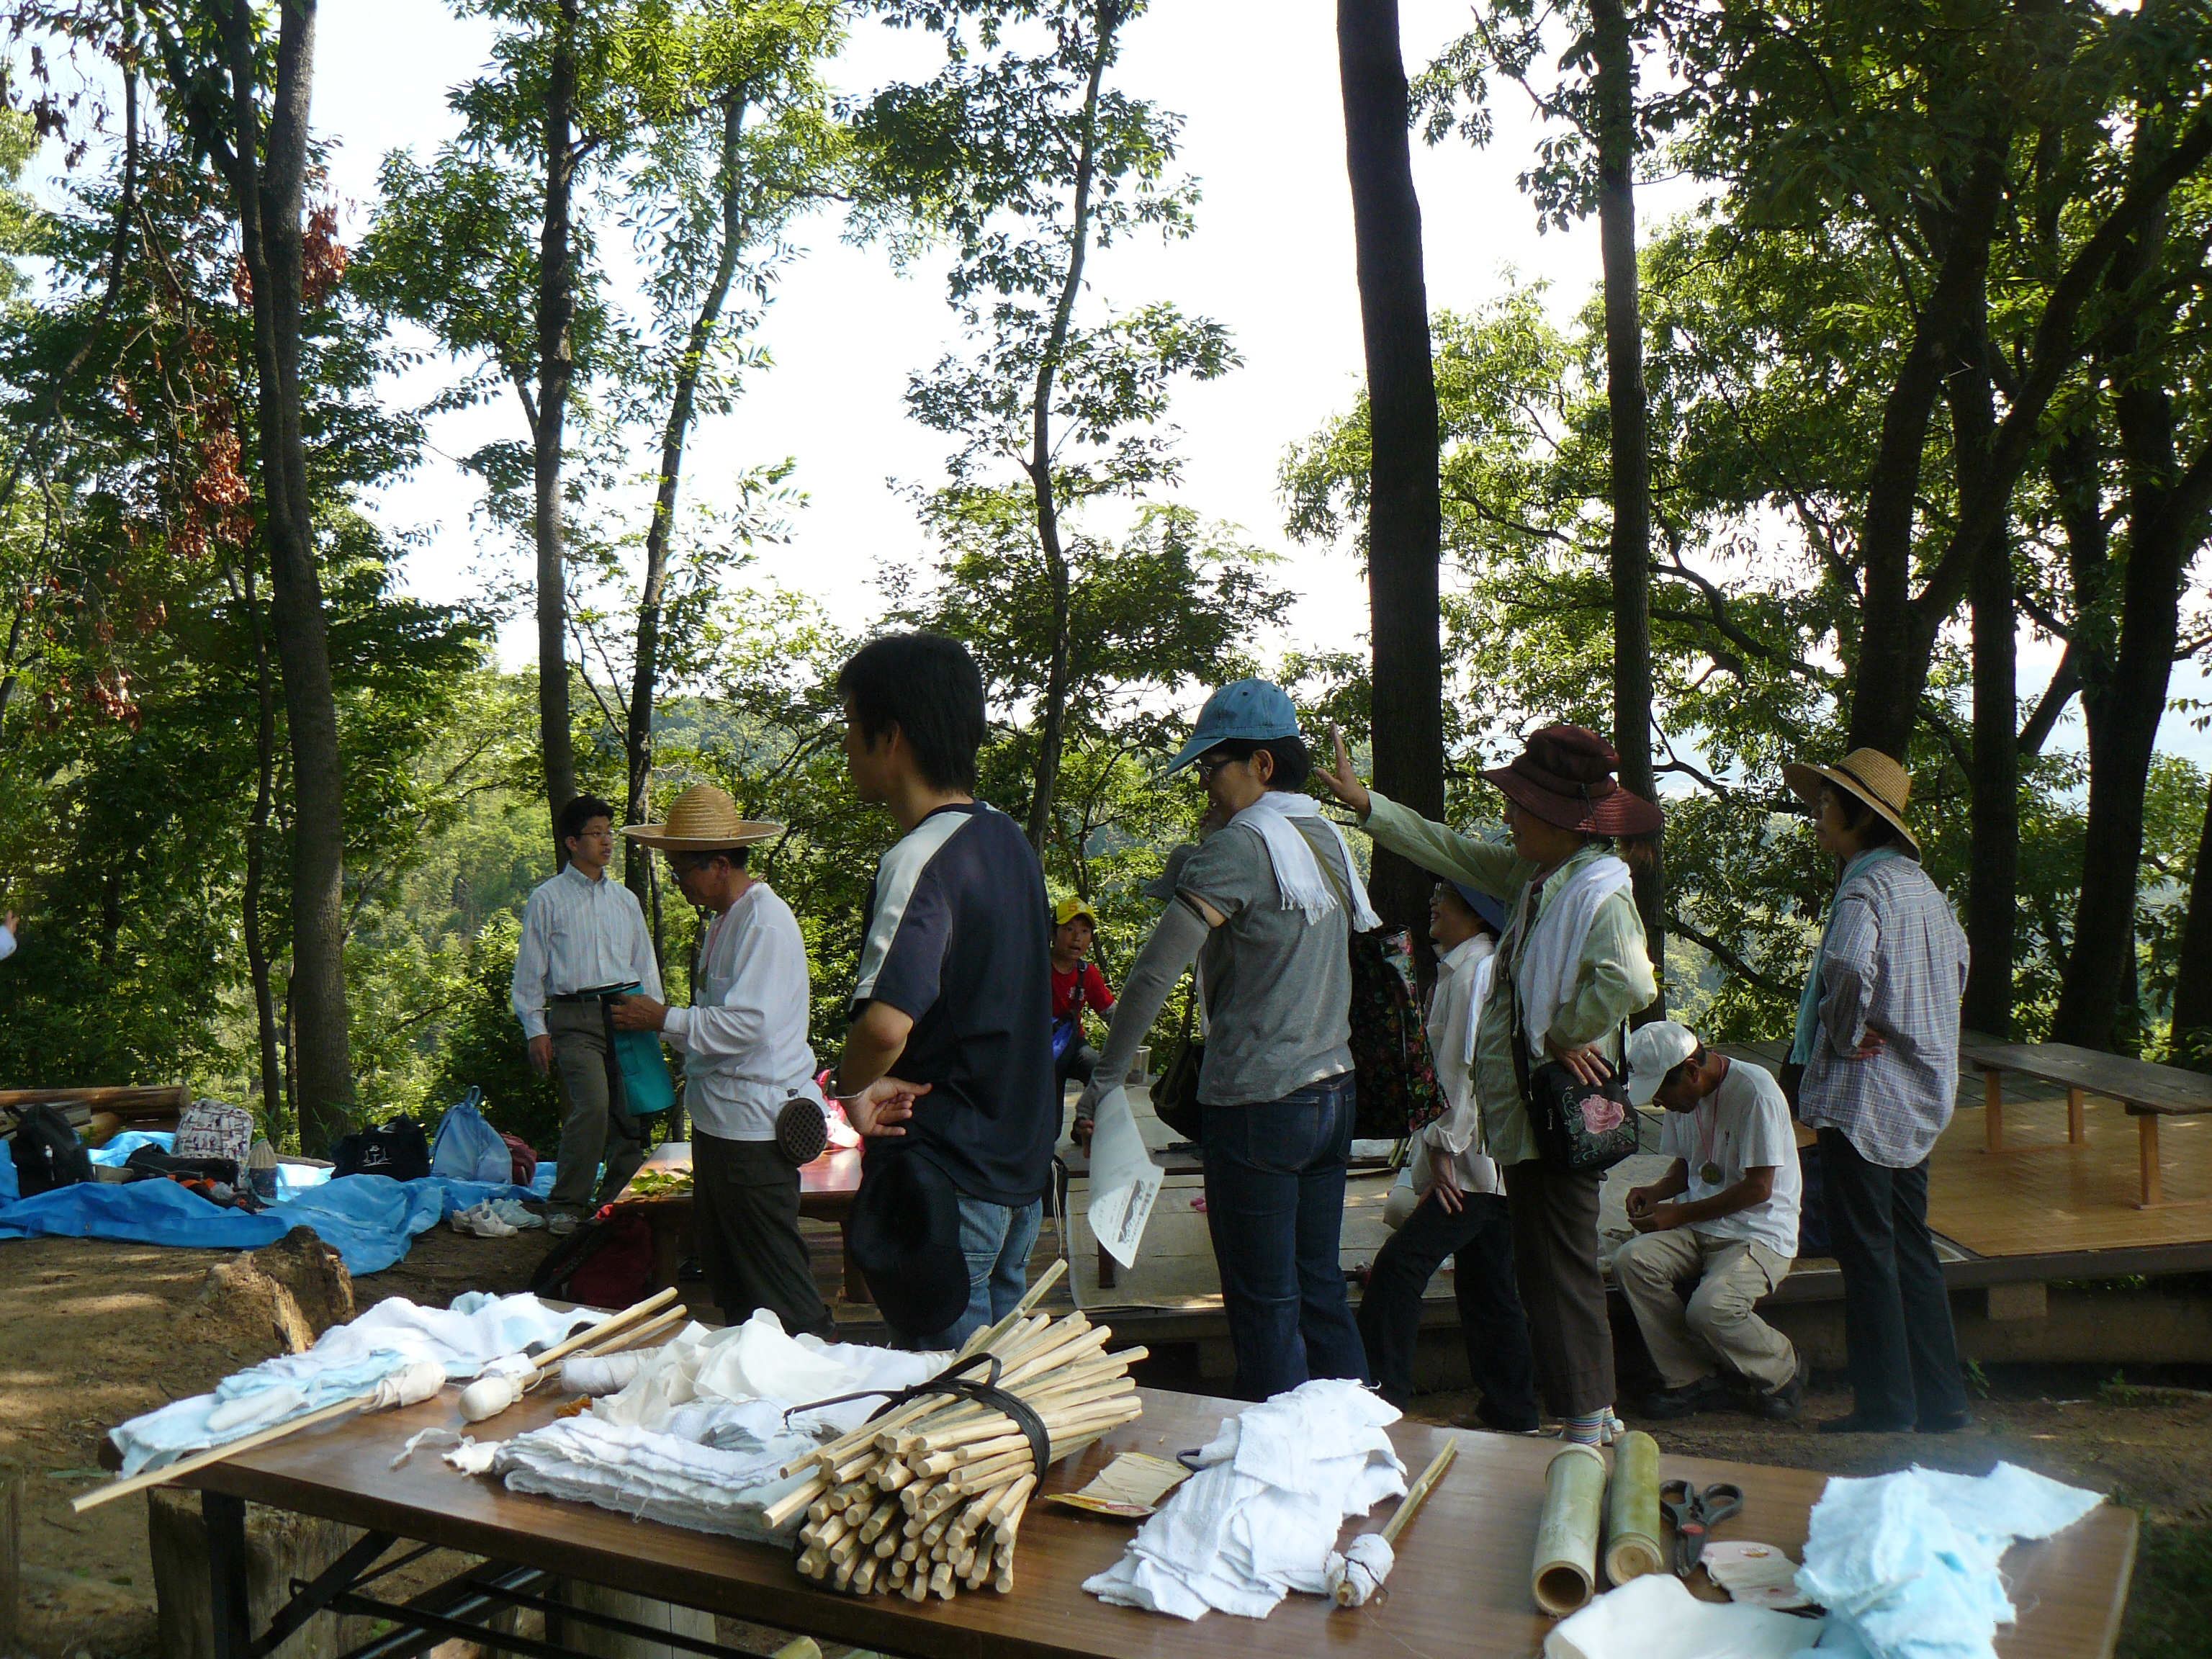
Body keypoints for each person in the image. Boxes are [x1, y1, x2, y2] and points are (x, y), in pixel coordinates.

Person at [1318, 722, 1659, 1444]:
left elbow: (1628, 978)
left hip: (1559, 1114)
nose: (1507, 818)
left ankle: (1589, 1420)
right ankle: (1584, 1416)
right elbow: (1450, 849)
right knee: (1537, 1272)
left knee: (1560, 1272)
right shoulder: (1544, 877)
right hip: (1531, 1119)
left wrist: (1566, 1031)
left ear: (1558, 816)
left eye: (1519, 804)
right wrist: (1367, 804)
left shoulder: (1596, 889)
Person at [1079, 678, 1369, 1401]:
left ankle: (1281, 1462)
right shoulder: (1327, 838)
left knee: (1264, 1300)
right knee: (1318, 1286)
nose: (1205, 783)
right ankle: (1363, 1445)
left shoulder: (1242, 848)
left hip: (1259, 1104)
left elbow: (1151, 975)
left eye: (1213, 767)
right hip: (1334, 1094)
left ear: (1262, 765)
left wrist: (1105, 1080)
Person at [830, 632, 1058, 1350]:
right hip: (1015, 1176)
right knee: (997, 1394)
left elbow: (886, 1027)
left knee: (942, 1407)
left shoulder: (919, 857)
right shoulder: (1007, 841)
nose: (845, 746)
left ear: (889, 738)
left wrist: (850, 1087)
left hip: (948, 1183)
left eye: (850, 725)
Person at [1783, 747, 1971, 1435]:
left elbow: (1844, 962)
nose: (1817, 812)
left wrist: (1842, 1031)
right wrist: (1919, 1028)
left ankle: (1887, 1404)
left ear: (1860, 818)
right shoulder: (1923, 889)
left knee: (1866, 1249)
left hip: (1865, 1097)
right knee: (1911, 1244)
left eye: (1827, 803)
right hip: (1917, 1091)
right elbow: (1958, 965)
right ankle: (1942, 1400)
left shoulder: (1864, 891)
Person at [612, 784, 834, 1339]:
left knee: (773, 1274)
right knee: (732, 1267)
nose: (678, 881)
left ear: (717, 864)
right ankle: (755, 1371)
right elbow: (723, 1021)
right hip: (724, 1122)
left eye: (681, 868)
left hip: (754, 1130)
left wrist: (663, 1019)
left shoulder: (763, 923)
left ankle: (819, 1368)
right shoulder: (728, 920)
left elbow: (747, 1024)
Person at [1357, 878, 1539, 1429]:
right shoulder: (1465, 968)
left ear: (1478, 914)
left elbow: (1464, 1070)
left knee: (1398, 1268)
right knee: (1488, 1286)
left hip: (1473, 1164)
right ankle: (1513, 1410)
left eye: (1447, 896)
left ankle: (1380, 1399)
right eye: (1433, 892)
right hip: (1487, 1165)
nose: (1433, 903)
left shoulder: (1476, 971)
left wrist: (1442, 1149)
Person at [1617, 1020, 1803, 1421]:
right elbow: (1688, 1168)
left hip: (1758, 1231)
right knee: (1631, 1261)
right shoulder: (1685, 1097)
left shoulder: (1756, 1091)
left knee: (1711, 1307)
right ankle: (1692, 1377)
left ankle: (1784, 1370)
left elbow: (1759, 1189)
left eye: (1661, 1093)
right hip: (1700, 1226)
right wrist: (1656, 1193)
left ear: (1691, 1070)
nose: (1661, 1105)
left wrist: (1676, 1213)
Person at [511, 794, 664, 1235]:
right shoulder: (547, 899)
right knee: (593, 1106)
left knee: (630, 1112)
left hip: (626, 1012)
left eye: (609, 832)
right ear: (572, 842)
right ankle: (567, 1203)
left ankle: (618, 1201)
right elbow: (530, 973)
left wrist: (655, 1017)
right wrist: (535, 1030)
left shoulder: (625, 900)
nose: (608, 842)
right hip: (573, 1016)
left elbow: (645, 963)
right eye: (597, 834)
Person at [1050, 896, 1115, 1135]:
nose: (1077, 937)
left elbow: (1110, 1013)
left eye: (1085, 930)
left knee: (1100, 1073)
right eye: (1069, 929)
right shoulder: (1035, 967)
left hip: (1074, 1044)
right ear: (1054, 932)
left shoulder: (1087, 974)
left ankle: (1083, 1127)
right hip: (1041, 1051)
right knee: (1050, 1129)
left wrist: (1127, 1045)